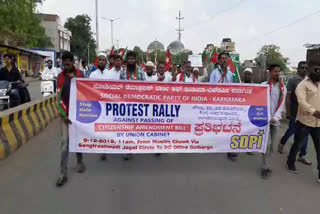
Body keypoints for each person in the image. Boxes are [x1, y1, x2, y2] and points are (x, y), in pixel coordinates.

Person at [286, 59, 320, 183]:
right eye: (315, 69)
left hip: (318, 124)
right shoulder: (302, 84)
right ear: (310, 70)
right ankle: (290, 163)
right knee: (297, 145)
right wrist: (314, 112)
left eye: (319, 69)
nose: (317, 71)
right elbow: (302, 102)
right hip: (304, 122)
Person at [56, 51, 86, 187]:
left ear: (72, 62)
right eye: (64, 64)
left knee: (78, 139)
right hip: (65, 115)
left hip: (78, 115)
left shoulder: (80, 75)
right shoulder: (60, 77)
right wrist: (64, 115)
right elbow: (58, 98)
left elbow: (86, 93)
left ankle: (80, 162)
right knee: (64, 144)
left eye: (68, 63)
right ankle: (63, 174)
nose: (66, 66)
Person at [278, 61, 311, 165]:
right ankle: (282, 142)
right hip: (294, 111)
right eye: (302, 68)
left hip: (306, 113)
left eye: (306, 68)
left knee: (305, 134)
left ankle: (302, 155)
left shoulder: (309, 81)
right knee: (292, 130)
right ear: (298, 69)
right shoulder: (293, 80)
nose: (304, 70)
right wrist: (287, 111)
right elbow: (288, 97)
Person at [260, 64, 287, 179]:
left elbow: (282, 105)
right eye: (275, 71)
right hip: (265, 121)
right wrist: (266, 117)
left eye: (279, 72)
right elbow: (258, 102)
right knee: (266, 144)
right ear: (270, 72)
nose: (277, 74)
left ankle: (267, 162)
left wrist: (275, 118)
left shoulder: (282, 88)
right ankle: (265, 167)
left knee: (273, 147)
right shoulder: (263, 86)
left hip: (275, 121)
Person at [210, 53, 237, 161]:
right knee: (217, 125)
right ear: (219, 61)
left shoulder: (230, 74)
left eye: (226, 59)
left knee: (229, 125)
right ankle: (216, 145)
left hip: (227, 103)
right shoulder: (214, 73)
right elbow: (211, 88)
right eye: (222, 59)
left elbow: (231, 89)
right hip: (217, 103)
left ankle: (229, 150)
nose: (224, 60)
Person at [120, 51, 146, 160]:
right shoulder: (122, 72)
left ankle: (134, 145)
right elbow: (119, 87)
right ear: (127, 60)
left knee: (135, 127)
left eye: (132, 59)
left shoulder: (140, 71)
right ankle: (127, 149)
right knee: (126, 127)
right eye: (129, 59)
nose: (131, 61)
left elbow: (145, 87)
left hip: (137, 105)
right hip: (125, 105)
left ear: (135, 60)